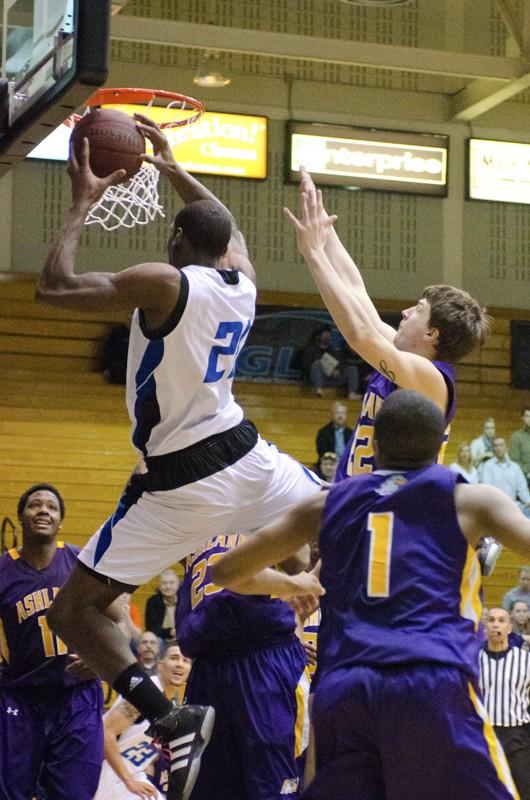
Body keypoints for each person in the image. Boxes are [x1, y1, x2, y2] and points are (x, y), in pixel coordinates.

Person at [39, 118, 321, 800]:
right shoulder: (243, 285)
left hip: (179, 481)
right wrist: (173, 169)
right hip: (247, 456)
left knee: (74, 611)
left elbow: (54, 287)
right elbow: (235, 239)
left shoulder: (164, 282)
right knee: (343, 510)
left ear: (175, 239)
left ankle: (169, 717)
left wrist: (80, 201)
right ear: (222, 248)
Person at [211, 389, 530, 800]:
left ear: (375, 446)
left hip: (346, 687)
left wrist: (293, 584)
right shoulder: (469, 499)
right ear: (440, 447)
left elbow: (227, 571)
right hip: (431, 678)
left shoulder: (325, 505)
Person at [282, 170, 499, 572]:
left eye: (416, 309)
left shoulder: (432, 379)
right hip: (357, 499)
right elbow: (357, 293)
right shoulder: (404, 356)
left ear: (431, 332)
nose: (404, 312)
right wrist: (323, 228)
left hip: (389, 513)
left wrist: (311, 253)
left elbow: (358, 332)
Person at [175, 533, 310, 800]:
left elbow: (301, 562)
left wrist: (265, 517)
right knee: (211, 789)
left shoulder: (263, 499)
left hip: (264, 657)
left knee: (272, 787)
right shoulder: (192, 509)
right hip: (207, 661)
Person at [0, 484, 104, 800]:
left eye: (52, 507)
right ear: (21, 517)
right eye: (35, 505)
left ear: (60, 521)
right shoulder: (3, 570)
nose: (43, 510)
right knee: (11, 791)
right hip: (20, 695)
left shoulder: (79, 561)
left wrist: (99, 657)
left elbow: (120, 621)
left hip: (76, 693)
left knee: (74, 792)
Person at [95, 641, 192, 800]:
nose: (180, 665)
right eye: (174, 658)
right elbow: (105, 733)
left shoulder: (172, 706)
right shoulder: (145, 693)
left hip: (133, 775)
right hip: (107, 771)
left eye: (185, 661)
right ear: (160, 664)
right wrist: (128, 780)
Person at [479, 608, 530, 799]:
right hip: (484, 736)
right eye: (491, 620)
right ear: (486, 626)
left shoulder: (525, 660)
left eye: (501, 621)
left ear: (509, 628)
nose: (496, 625)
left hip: (517, 736)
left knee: (524, 791)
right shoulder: (473, 659)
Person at [299, 327, 361, 399]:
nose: (327, 337)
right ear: (320, 336)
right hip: (318, 379)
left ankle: (352, 393)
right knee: (316, 364)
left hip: (332, 379)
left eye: (329, 335)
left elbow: (342, 363)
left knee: (352, 369)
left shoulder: (334, 352)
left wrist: (338, 370)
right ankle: (319, 391)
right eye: (325, 335)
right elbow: (306, 366)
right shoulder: (311, 351)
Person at [481, 437, 530, 518]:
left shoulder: (515, 467)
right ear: (493, 449)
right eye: (495, 446)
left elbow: (522, 489)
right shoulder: (488, 466)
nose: (498, 448)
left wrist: (528, 501)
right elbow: (487, 490)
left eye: (501, 445)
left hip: (513, 506)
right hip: (495, 507)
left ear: (506, 448)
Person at [145, 569, 180, 644]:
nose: (168, 586)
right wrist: (170, 632)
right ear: (160, 587)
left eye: (172, 583)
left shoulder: (185, 600)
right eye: (164, 583)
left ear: (178, 585)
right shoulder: (153, 602)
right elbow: (151, 629)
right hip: (160, 640)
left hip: (181, 638)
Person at [510, 407, 530, 486]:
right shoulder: (516, 436)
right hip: (524, 476)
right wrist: (528, 472)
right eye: (527, 416)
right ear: (522, 418)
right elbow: (515, 461)